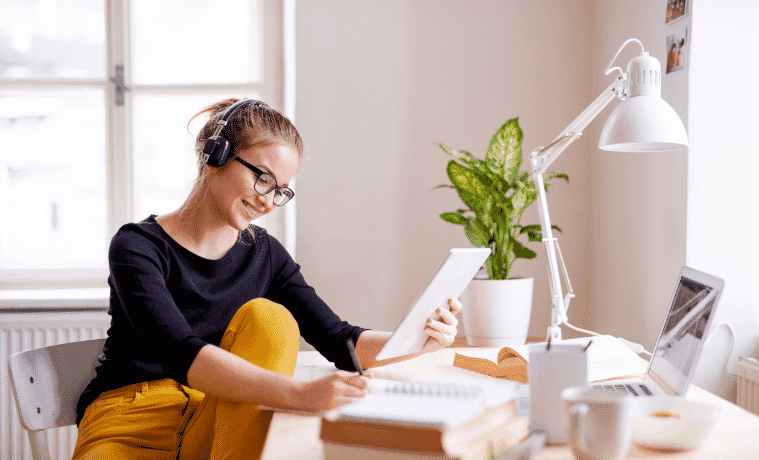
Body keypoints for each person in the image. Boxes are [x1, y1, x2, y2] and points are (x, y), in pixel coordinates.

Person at [72, 98, 463, 460]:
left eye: (281, 190)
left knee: (270, 319)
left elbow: (338, 339)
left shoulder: (265, 253)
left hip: (215, 415)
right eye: (263, 178)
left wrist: (417, 341)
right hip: (131, 418)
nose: (268, 199)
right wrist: (299, 394)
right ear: (216, 155)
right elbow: (179, 351)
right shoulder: (137, 246)